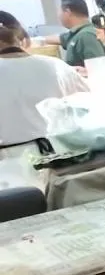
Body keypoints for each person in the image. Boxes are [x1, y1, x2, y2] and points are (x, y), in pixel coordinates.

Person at [0, 11, 89, 185]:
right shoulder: (55, 66)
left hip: (8, 172)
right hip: (61, 162)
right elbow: (89, 102)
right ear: (22, 39)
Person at [38, 0, 105, 68]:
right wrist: (35, 40)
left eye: (59, 12)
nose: (58, 16)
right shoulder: (77, 34)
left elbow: (98, 69)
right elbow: (60, 38)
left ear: (67, 12)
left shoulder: (86, 36)